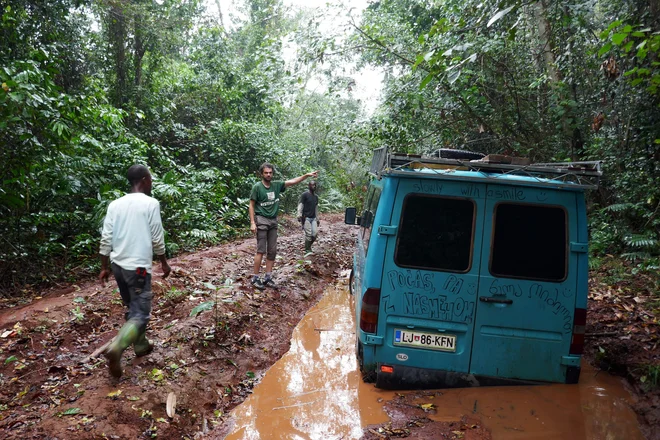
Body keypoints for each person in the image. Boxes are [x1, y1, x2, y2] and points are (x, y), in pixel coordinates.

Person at [98, 164, 171, 378]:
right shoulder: (150, 204)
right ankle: (117, 347)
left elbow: (106, 238)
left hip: (118, 266)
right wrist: (164, 262)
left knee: (132, 306)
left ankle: (140, 345)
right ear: (145, 179)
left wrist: (104, 267)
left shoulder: (115, 204)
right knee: (140, 313)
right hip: (138, 268)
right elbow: (157, 237)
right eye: (151, 179)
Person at [249, 163, 318, 290]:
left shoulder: (276, 185)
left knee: (273, 250)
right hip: (262, 220)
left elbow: (292, 182)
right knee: (260, 250)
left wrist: (306, 175)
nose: (268, 174)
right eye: (266, 173)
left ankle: (268, 277)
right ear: (261, 174)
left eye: (270, 172)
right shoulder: (257, 187)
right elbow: (251, 205)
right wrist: (253, 222)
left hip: (273, 221)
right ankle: (255, 277)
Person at [297, 180, 320, 256]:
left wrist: (317, 218)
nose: (314, 186)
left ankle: (308, 246)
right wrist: (299, 214)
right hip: (306, 218)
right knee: (309, 234)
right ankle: (307, 250)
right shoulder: (305, 195)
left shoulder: (316, 197)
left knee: (315, 234)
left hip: (313, 218)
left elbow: (316, 208)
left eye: (314, 185)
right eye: (312, 185)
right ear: (309, 186)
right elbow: (301, 204)